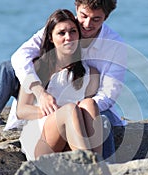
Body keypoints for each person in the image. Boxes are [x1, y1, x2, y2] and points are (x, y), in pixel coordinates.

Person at [0, 0, 127, 161]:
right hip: (48, 120)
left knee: (99, 116)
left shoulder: (113, 48)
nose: (87, 24)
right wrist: (41, 94)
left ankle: (103, 167)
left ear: (106, 17)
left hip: (93, 105)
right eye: (83, 16)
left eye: (96, 19)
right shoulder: (59, 33)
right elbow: (20, 57)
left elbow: (109, 95)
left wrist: (81, 110)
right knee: (7, 67)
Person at [15, 9, 102, 160]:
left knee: (89, 104)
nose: (69, 37)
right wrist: (58, 113)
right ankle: (91, 167)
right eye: (61, 33)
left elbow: (88, 120)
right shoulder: (38, 68)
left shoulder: (91, 73)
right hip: (41, 139)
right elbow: (21, 111)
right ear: (51, 37)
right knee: (70, 110)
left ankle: (96, 161)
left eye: (73, 31)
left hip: (73, 140)